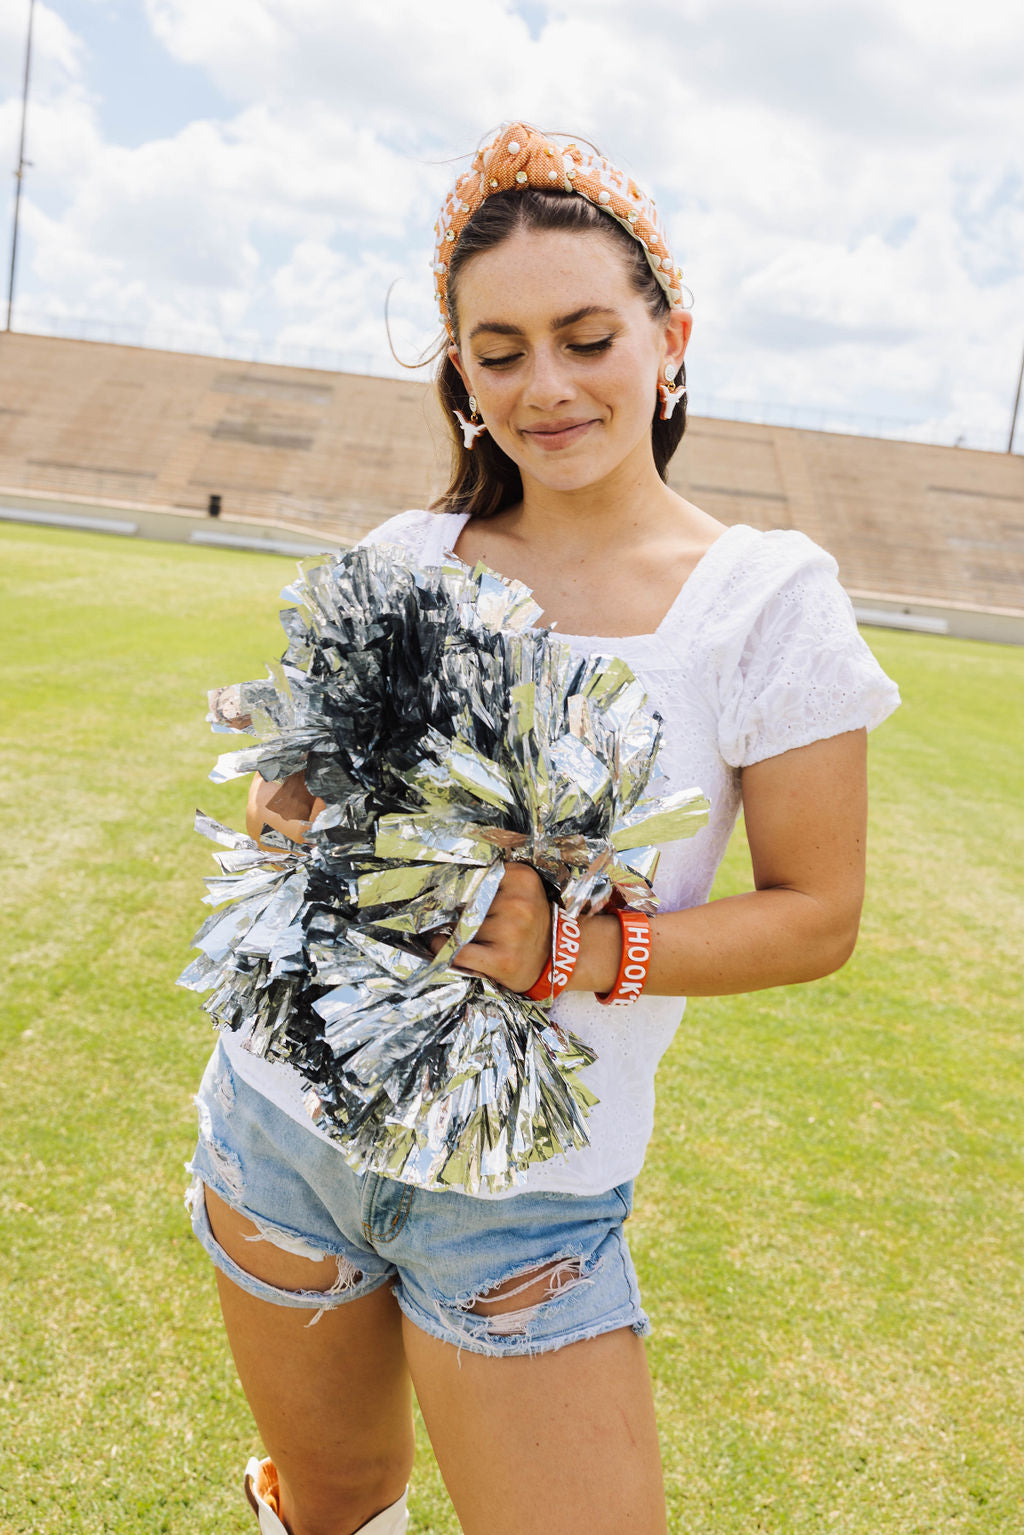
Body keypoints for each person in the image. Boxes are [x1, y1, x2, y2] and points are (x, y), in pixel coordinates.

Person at [186, 122, 899, 1535]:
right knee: (331, 1507)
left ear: (669, 338)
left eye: (586, 336)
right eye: (498, 352)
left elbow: (816, 915)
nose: (546, 386)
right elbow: (289, 833)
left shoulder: (766, 598)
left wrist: (576, 952)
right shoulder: (404, 555)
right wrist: (292, 814)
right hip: (282, 1135)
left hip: (524, 1203)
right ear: (460, 371)